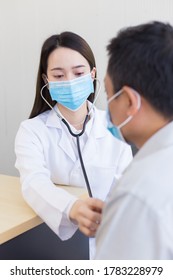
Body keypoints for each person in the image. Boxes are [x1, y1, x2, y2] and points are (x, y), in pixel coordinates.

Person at [14, 31, 132, 259]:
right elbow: (33, 181)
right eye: (58, 76)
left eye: (78, 73)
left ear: (92, 74)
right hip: (55, 249)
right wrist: (72, 208)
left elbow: (127, 189)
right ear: (46, 81)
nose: (69, 81)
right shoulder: (31, 131)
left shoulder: (116, 127)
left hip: (113, 245)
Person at [95, 21, 173, 260]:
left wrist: (124, 217)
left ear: (129, 101)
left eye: (109, 95)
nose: (107, 106)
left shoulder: (137, 195)